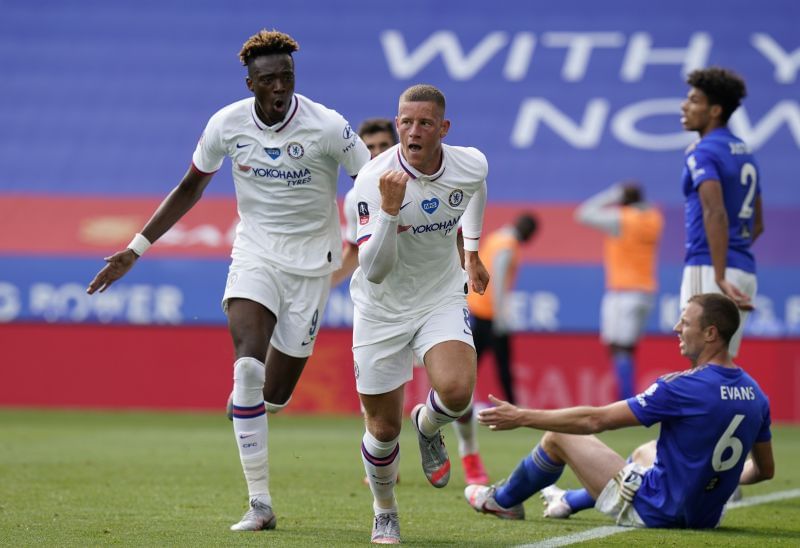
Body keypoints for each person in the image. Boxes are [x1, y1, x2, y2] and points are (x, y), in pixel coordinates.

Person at [86, 30, 370, 532]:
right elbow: (190, 186)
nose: (279, 87)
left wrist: (374, 246)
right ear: (250, 82)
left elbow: (368, 182)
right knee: (247, 371)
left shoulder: (328, 126)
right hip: (255, 255)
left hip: (312, 269)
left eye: (287, 77)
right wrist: (135, 249)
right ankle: (260, 504)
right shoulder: (227, 123)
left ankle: (250, 411)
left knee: (273, 398)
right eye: (268, 79)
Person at [465, 293, 774, 529]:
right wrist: (715, 479)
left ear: (710, 333)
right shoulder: (757, 395)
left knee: (558, 434)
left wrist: (521, 416)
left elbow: (594, 420)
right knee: (646, 452)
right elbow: (764, 471)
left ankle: (502, 501)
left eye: (686, 322)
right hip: (705, 518)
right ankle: (568, 500)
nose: (676, 328)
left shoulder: (683, 387)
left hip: (657, 510)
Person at [350, 84, 489, 543]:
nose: (413, 131)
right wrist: (390, 212)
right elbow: (372, 271)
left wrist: (471, 252)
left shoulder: (471, 162)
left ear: (442, 128)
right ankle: (384, 509)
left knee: (456, 392)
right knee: (382, 430)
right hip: (381, 309)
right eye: (405, 122)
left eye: (425, 123)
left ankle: (428, 427)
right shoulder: (372, 181)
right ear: (397, 125)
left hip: (439, 297)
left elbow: (475, 189)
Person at [680, 66, 764, 357]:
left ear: (714, 110)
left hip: (710, 267)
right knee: (721, 366)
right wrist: (731, 261)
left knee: (701, 366)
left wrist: (718, 274)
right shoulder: (744, 150)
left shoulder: (702, 152)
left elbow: (714, 211)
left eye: (693, 100)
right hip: (743, 270)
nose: (684, 105)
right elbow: (758, 223)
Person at [451, 213, 538, 486]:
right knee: (493, 365)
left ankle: (510, 407)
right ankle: (512, 408)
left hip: (478, 308)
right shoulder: (509, 245)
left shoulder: (496, 237)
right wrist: (502, 316)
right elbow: (498, 278)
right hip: (490, 314)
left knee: (486, 362)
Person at [575, 183, 663, 400]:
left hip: (623, 291)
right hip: (646, 291)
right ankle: (627, 396)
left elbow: (583, 213)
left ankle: (626, 400)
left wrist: (612, 194)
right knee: (628, 347)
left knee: (617, 346)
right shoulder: (654, 218)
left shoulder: (622, 219)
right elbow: (645, 207)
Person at [331, 118, 398, 288]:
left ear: (397, 148)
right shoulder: (354, 199)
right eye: (370, 147)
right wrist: (321, 287)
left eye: (384, 145)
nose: (377, 153)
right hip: (381, 296)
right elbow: (354, 253)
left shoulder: (420, 184)